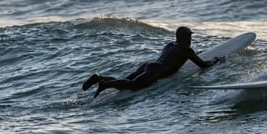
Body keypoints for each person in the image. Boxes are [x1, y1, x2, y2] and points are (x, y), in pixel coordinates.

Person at [82, 26, 220, 97]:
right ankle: (105, 84)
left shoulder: (171, 45)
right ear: (186, 37)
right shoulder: (186, 50)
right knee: (134, 85)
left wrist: (197, 54)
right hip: (157, 70)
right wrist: (215, 60)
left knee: (125, 81)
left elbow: (178, 56)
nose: (191, 39)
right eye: (190, 36)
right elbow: (203, 65)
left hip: (149, 65)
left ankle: (100, 78)